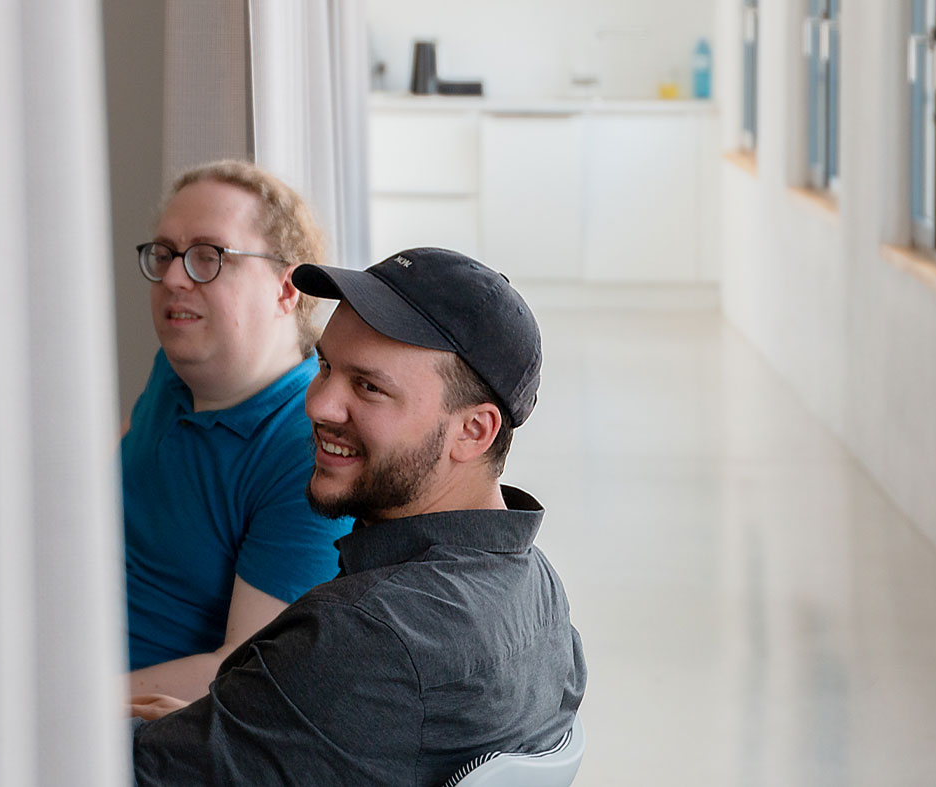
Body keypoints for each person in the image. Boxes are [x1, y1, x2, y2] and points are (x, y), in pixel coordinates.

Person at [131, 247, 588, 786]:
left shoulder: (364, 635)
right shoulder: (538, 590)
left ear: (473, 431)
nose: (318, 405)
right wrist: (227, 729)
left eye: (369, 387)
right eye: (326, 367)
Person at [122, 160, 353, 702]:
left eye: (209, 256)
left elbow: (243, 670)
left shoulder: (309, 452)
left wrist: (64, 699)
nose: (175, 277)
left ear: (285, 289)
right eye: (165, 254)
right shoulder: (175, 371)